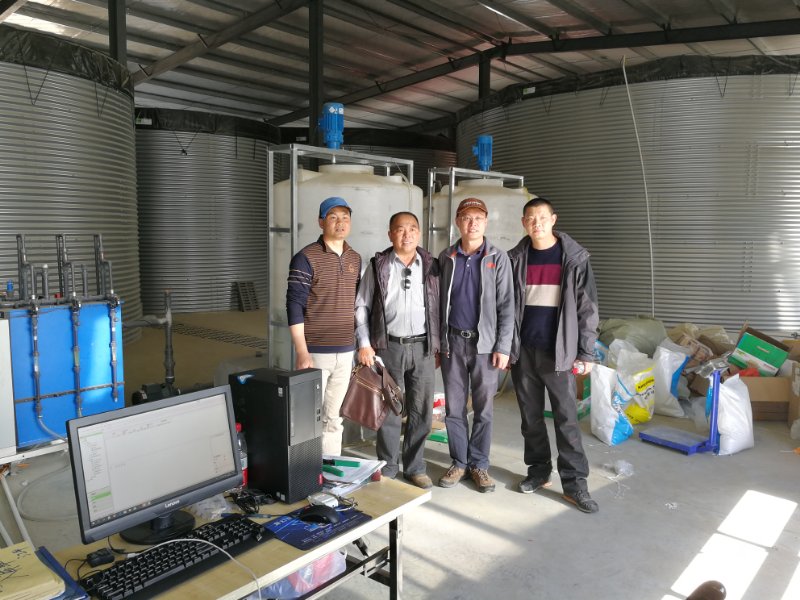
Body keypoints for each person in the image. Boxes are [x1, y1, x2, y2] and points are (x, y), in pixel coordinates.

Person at [508, 197, 600, 513]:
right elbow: (505, 306)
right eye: (531, 218)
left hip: (559, 351)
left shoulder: (573, 258)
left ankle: (575, 484)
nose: (537, 223)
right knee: (530, 417)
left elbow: (588, 308)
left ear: (553, 219)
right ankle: (539, 471)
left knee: (566, 418)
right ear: (524, 222)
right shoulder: (515, 258)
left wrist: (586, 351)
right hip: (524, 350)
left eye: (542, 217)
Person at [354, 212, 440, 489]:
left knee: (421, 410)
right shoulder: (378, 265)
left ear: (419, 233)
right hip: (389, 346)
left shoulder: (432, 265)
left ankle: (415, 467)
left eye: (412, 229)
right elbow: (362, 305)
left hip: (424, 347)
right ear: (390, 234)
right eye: (400, 229)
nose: (407, 234)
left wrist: (439, 345)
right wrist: (364, 343)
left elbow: (442, 306)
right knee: (390, 409)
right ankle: (389, 466)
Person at [438, 197, 514, 493]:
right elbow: (437, 304)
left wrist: (503, 347)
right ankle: (459, 462)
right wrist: (439, 343)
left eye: (478, 218)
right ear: (458, 222)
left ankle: (479, 465)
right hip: (453, 343)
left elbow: (507, 305)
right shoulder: (446, 257)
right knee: (454, 408)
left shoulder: (498, 258)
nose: (473, 223)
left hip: (485, 346)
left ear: (486, 222)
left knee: (484, 409)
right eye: (467, 218)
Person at [286, 196, 361, 456]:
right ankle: (304, 468)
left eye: (345, 217)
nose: (340, 223)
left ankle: (329, 467)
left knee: (334, 417)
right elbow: (294, 305)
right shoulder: (305, 258)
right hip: (316, 352)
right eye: (333, 217)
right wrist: (301, 350)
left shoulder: (355, 258)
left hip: (346, 352)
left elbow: (357, 304)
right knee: (307, 416)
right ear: (321, 222)